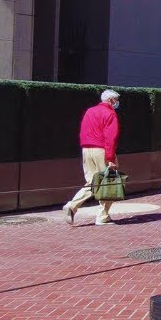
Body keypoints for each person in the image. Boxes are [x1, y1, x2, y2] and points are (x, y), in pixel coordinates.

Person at [62, 90, 121, 226]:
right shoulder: (110, 113)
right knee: (109, 182)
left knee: (92, 182)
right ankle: (103, 216)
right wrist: (111, 157)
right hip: (102, 150)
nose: (117, 102)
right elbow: (110, 137)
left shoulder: (90, 111)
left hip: (87, 149)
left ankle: (72, 205)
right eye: (116, 100)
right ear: (111, 100)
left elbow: (83, 131)